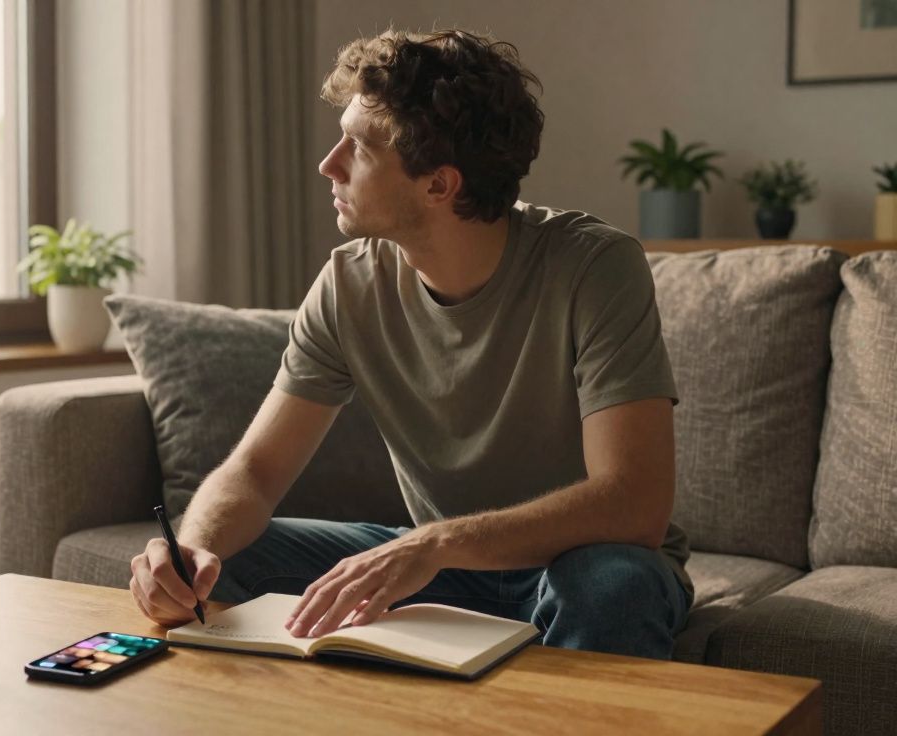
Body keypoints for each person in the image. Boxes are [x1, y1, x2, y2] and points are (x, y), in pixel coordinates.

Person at [129, 28, 693, 660]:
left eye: (359, 148)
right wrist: (191, 550)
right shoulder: (349, 283)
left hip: (578, 566)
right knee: (232, 557)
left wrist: (433, 545)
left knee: (611, 588)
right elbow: (256, 473)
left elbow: (634, 503)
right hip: (442, 566)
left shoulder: (595, 267)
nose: (329, 163)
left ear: (438, 185)